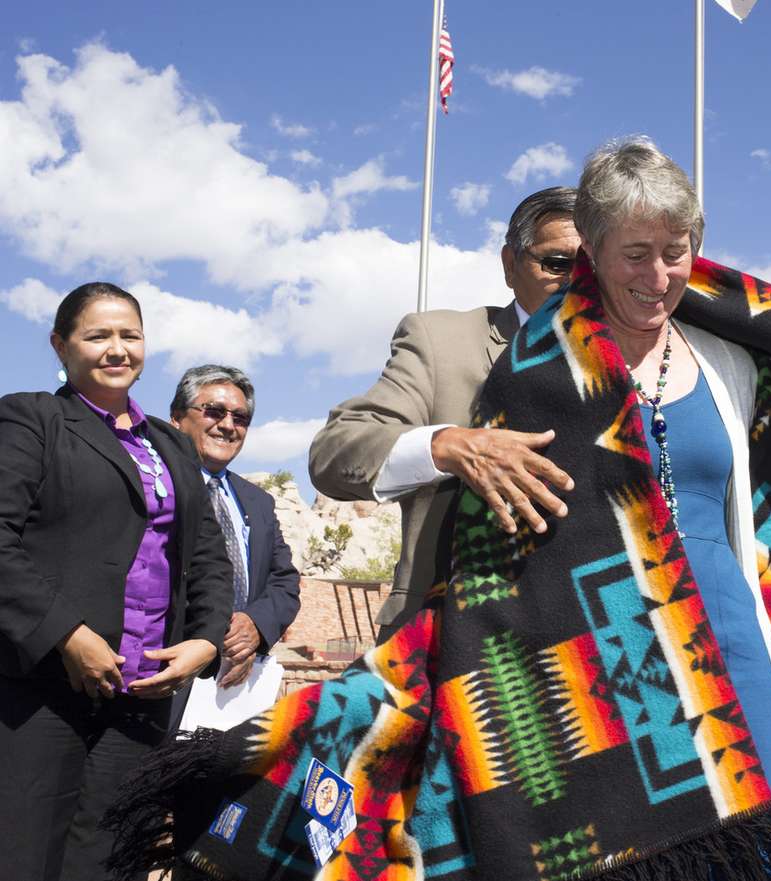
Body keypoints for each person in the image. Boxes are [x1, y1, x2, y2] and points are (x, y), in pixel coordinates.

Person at [105, 142, 771, 881]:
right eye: (612, 255)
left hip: (718, 646)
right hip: (525, 658)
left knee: (749, 848)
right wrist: (448, 443)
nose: (654, 275)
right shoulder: (451, 342)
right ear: (574, 252)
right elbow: (337, 452)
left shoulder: (732, 354)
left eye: (675, 252)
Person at [0, 283, 233, 880]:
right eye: (97, 335)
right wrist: (66, 634)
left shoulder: (171, 443)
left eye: (129, 335)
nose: (116, 349)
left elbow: (207, 555)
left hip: (143, 694)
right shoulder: (32, 419)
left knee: (111, 858)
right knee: (27, 853)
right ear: (61, 344)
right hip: (45, 689)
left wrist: (205, 641)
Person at [310, 186, 580, 635]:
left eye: (592, 267)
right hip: (454, 638)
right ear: (510, 266)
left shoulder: (647, 357)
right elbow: (334, 452)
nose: (576, 281)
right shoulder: (442, 342)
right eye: (557, 264)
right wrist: (448, 446)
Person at [168, 365, 301, 726]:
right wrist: (213, 633)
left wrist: (254, 625)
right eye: (213, 411)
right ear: (178, 417)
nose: (228, 425)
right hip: (167, 678)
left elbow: (284, 582)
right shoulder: (155, 485)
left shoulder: (257, 502)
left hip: (236, 689)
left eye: (240, 417)